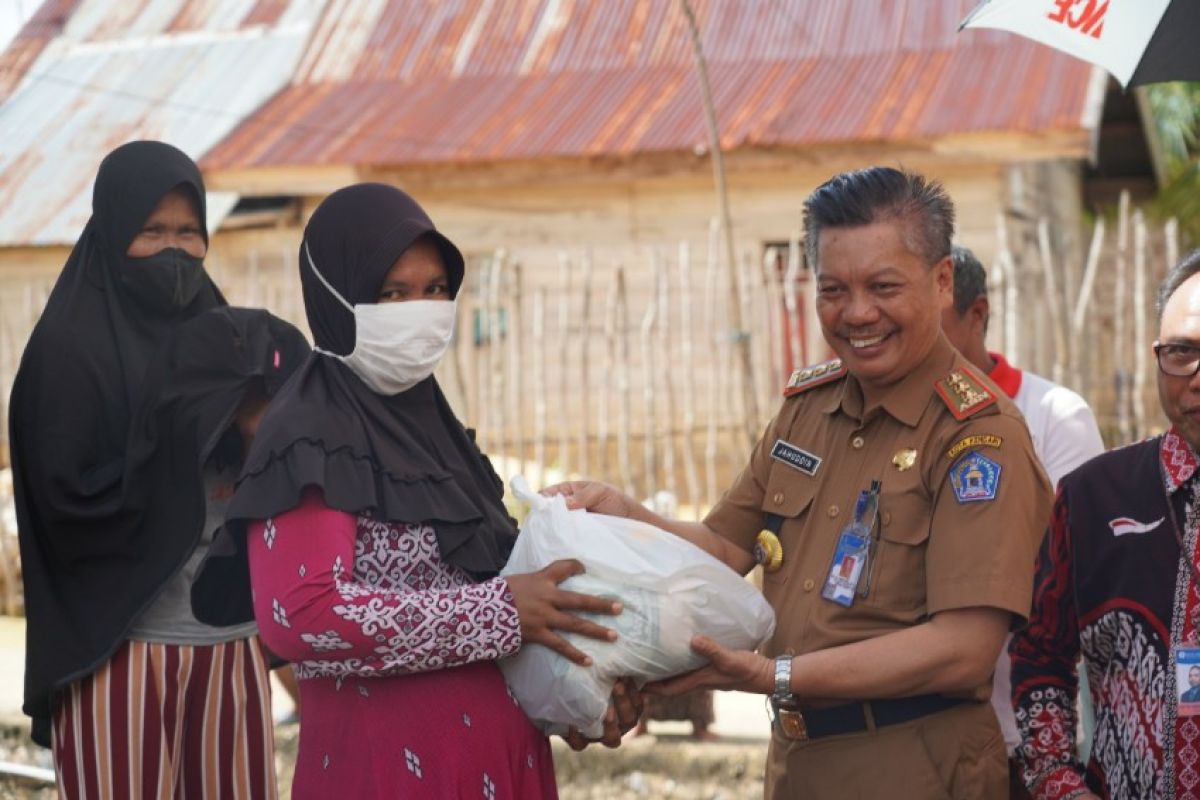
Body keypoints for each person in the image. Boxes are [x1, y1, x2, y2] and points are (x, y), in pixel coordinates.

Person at [551, 166, 1053, 799]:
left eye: (884, 286)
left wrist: (772, 672)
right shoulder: (808, 407)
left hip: (916, 765)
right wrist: (627, 514)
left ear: (943, 280)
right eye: (833, 289)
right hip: (796, 760)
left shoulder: (978, 436)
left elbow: (964, 650)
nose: (857, 313)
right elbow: (724, 547)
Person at [207, 183, 639, 799]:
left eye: (435, 289)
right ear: (336, 297)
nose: (421, 309)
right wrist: (500, 612)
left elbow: (502, 606)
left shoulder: (440, 436)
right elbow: (298, 616)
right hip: (385, 772)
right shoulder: (309, 434)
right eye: (392, 293)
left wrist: (581, 699)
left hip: (501, 762)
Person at [9, 140, 304, 798]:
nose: (174, 251)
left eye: (188, 233)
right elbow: (64, 504)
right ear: (114, 231)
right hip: (119, 650)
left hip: (230, 645)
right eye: (152, 231)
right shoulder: (68, 353)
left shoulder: (224, 338)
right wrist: (194, 438)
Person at [1010, 248, 1200, 800]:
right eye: (1183, 352)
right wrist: (1057, 782)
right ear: (1156, 356)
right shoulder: (1093, 497)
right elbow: (1038, 655)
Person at [941, 244, 1106, 793]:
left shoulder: (1056, 417)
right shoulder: (895, 424)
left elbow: (1069, 576)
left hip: (1018, 737)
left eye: (933, 323)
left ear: (978, 315)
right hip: (919, 735)